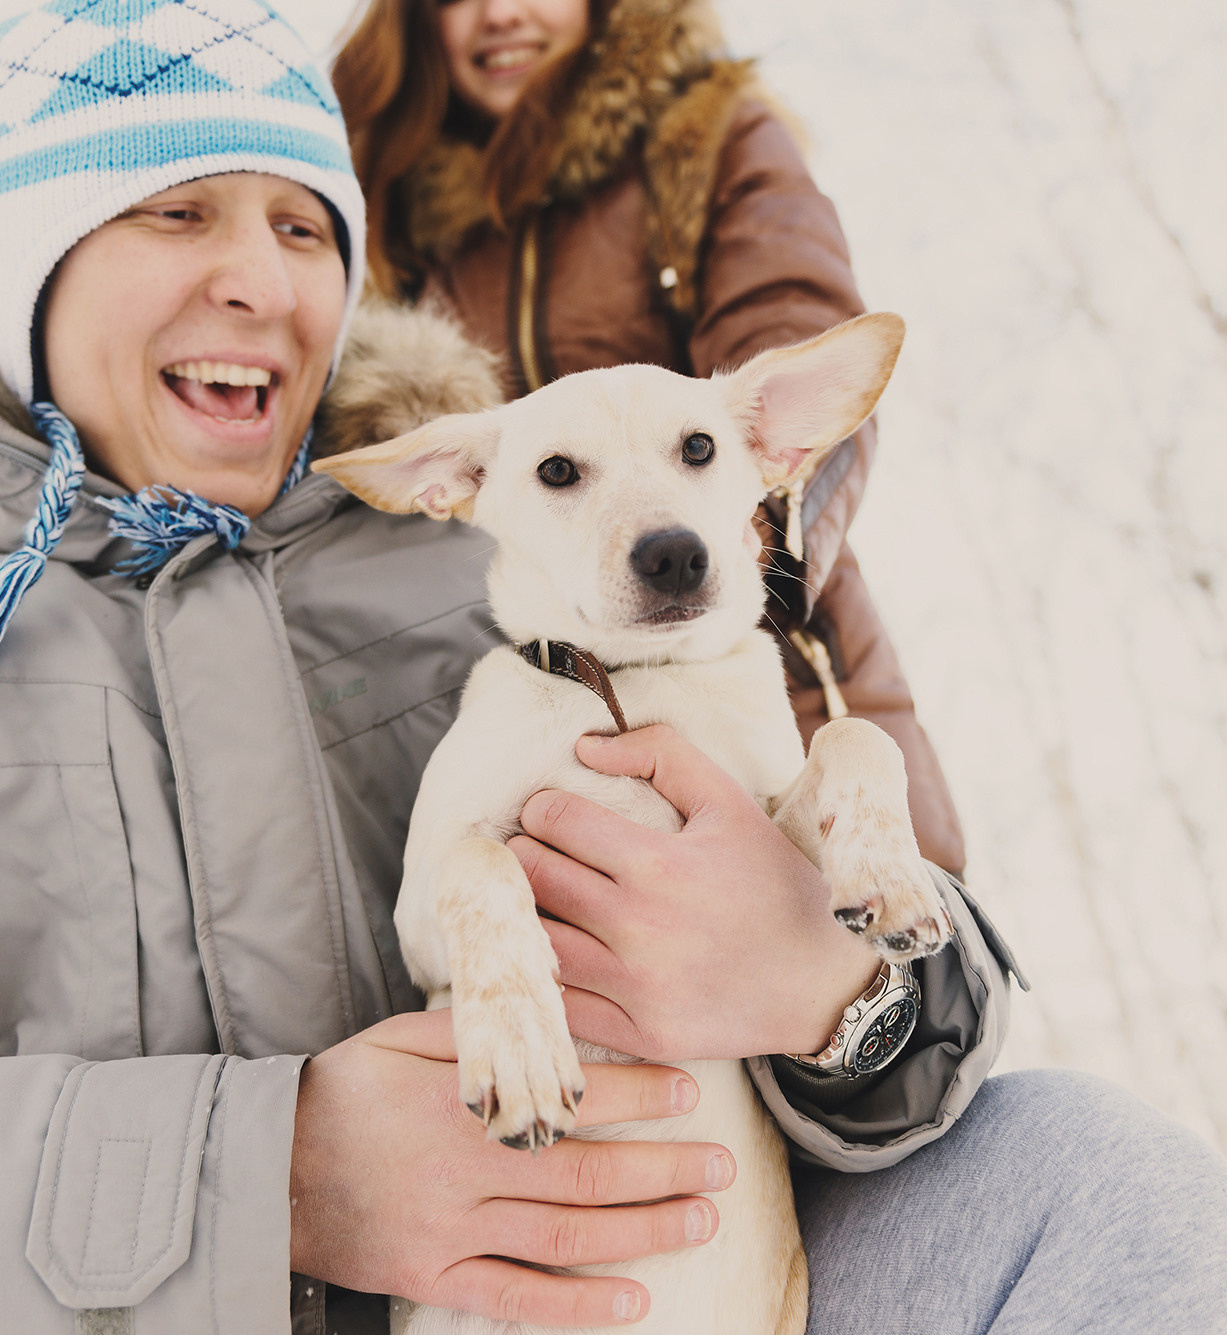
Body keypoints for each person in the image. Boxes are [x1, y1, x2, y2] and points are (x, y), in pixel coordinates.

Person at [0, 2, 1227, 1333]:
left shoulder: (522, 575)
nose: (258, 282)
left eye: (303, 229)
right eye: (172, 215)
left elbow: (918, 1002)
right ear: (24, 275)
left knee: (1097, 1185)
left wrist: (835, 992)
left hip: (663, 1281)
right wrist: (258, 1177)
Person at [332, 0, 968, 875]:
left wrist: (720, 526)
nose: (501, 13)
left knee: (855, 983)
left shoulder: (704, 135)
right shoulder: (381, 221)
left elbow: (790, 317)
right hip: (531, 701)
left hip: (770, 672)